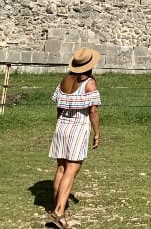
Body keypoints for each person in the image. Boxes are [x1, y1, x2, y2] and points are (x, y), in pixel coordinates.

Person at [47, 48, 102, 228]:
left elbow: (58, 106)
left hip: (62, 126)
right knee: (71, 171)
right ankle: (59, 212)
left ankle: (57, 207)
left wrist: (60, 123)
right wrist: (97, 132)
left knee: (61, 169)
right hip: (78, 128)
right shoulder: (90, 84)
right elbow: (93, 110)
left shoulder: (64, 80)